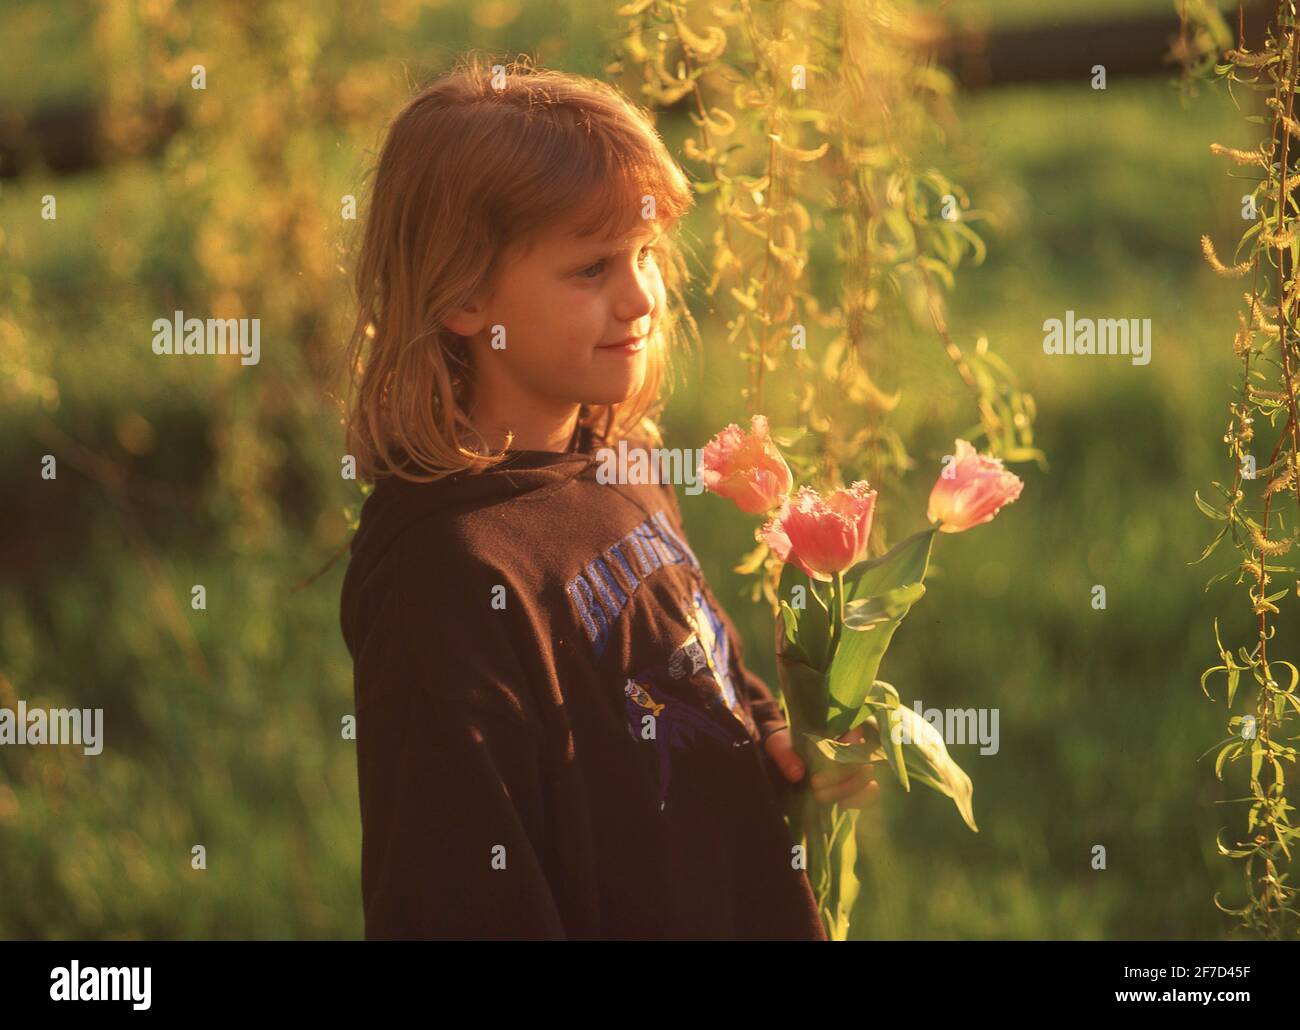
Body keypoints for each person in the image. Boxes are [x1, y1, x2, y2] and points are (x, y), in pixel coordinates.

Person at [338, 52, 876, 941]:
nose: (641, 297)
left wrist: (782, 744)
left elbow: (699, 665)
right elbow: (453, 891)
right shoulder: (448, 576)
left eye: (647, 254)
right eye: (591, 269)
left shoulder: (620, 465)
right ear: (465, 296)